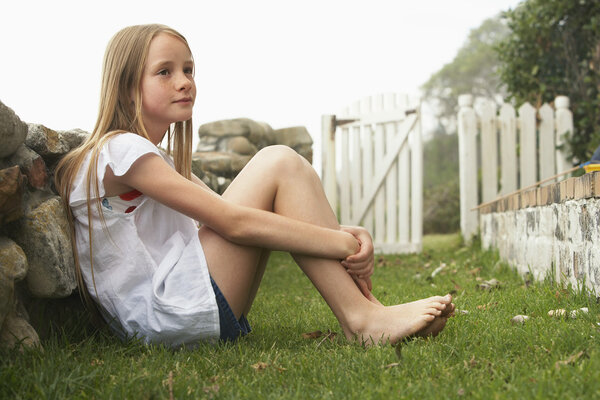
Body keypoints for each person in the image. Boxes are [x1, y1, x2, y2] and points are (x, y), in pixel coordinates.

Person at [55, 24, 454, 348]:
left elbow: (235, 214)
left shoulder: (151, 158)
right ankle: (364, 318)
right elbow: (235, 224)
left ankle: (368, 314)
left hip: (178, 309)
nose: (184, 82)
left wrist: (349, 233)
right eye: (165, 71)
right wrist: (339, 244)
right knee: (279, 162)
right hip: (167, 313)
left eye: (189, 70)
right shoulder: (122, 151)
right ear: (127, 86)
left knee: (281, 168)